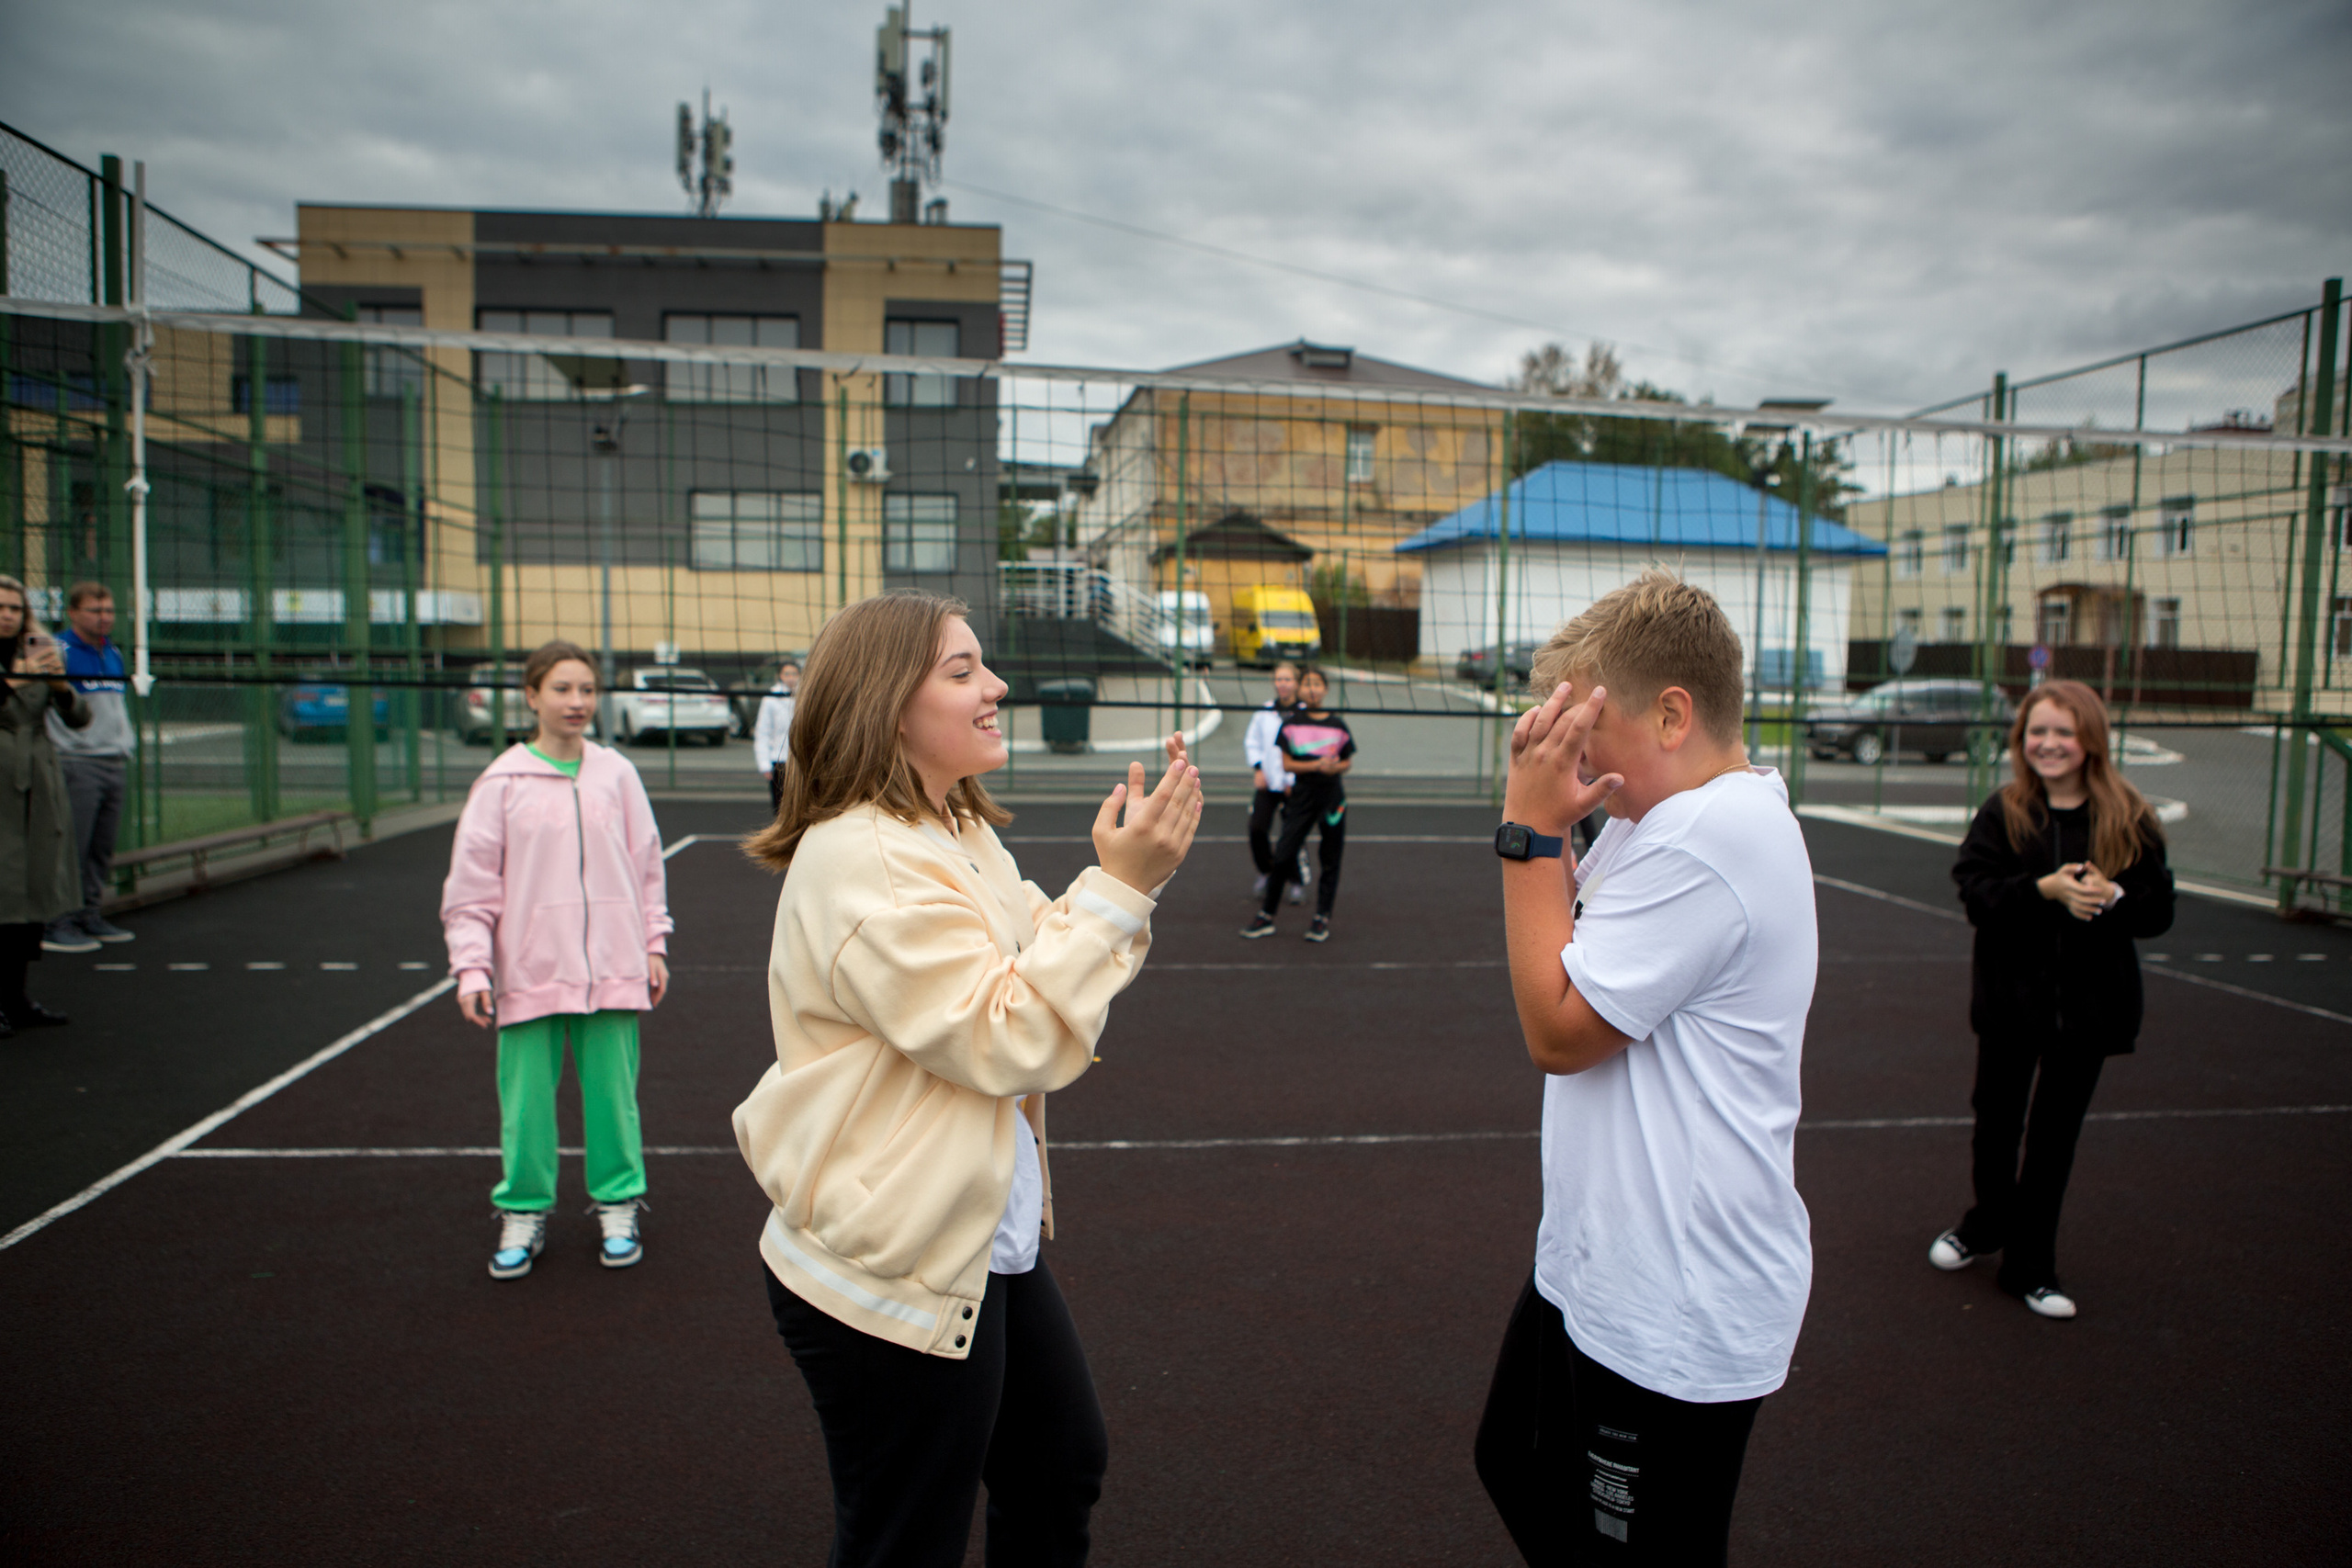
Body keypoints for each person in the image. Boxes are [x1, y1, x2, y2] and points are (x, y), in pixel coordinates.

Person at [735, 590, 1201, 1568]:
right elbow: (1009, 1035)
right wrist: (1121, 888)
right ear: (884, 704)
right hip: (891, 1265)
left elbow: (1034, 953)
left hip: (977, 1241)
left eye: (982, 666)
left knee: (1055, 1464)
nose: (994, 687)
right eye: (960, 672)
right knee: (905, 1538)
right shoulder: (871, 861)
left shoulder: (951, 830)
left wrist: (1120, 880)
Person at [1474, 570, 1815, 1566]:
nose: (1577, 763)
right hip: (1600, 1260)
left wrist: (1530, 832)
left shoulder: (1712, 836)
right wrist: (1561, 830)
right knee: (1516, 1463)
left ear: (1672, 714)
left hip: (1676, 1295)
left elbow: (1560, 1029)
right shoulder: (1653, 821)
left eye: (1589, 737)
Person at [1930, 679, 2174, 1320]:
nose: (2049, 743)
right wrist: (2042, 890)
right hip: (2013, 1004)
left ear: (2090, 738)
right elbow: (1975, 891)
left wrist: (2114, 897)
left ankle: (2030, 1265)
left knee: (2052, 1139)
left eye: (2063, 731)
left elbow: (2158, 908)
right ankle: (1985, 1223)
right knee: (1996, 1122)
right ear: (2021, 740)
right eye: (2037, 731)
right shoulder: (2004, 811)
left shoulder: (2128, 815)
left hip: (2089, 1013)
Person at [441, 639, 673, 1280]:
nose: (577, 702)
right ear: (533, 695)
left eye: (587, 690)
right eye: (563, 689)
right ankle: (523, 1211)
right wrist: (472, 966)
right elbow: (472, 886)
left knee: (613, 1100)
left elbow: (645, 865)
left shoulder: (618, 774)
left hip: (613, 970)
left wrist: (653, 942)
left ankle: (618, 1203)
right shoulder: (501, 782)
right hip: (529, 973)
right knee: (525, 1107)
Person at [0, 575, 91, 1030]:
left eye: (15, 608)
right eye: (0, 607)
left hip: (37, 780)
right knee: (3, 893)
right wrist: (19, 677)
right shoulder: (19, 664)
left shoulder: (38, 650)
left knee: (31, 895)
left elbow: (79, 718)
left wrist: (57, 685)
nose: (8, 615)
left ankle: (16, 998)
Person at [43, 582, 136, 951]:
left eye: (109, 611)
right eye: (95, 611)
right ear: (73, 613)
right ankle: (57, 921)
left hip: (113, 759)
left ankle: (89, 914)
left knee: (100, 847)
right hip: (76, 761)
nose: (104, 618)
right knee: (72, 847)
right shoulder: (55, 649)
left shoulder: (111, 652)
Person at [1239, 664, 1351, 942]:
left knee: (1330, 859)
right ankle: (1267, 916)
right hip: (1302, 796)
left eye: (1318, 684)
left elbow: (1347, 761)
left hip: (1332, 800)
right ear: (1301, 689)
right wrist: (1316, 765)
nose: (1312, 689)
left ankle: (1321, 919)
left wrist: (1334, 768)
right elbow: (1287, 762)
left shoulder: (1337, 724)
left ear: (1325, 689)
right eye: (1308, 684)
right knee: (1283, 853)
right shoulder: (1290, 724)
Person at [1240, 660, 1305, 903]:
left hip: (1294, 786)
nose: (1282, 684)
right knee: (1257, 829)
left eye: (1287, 679)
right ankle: (1267, 873)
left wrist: (1293, 779)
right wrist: (1258, 768)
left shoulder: (1305, 713)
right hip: (1267, 783)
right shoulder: (1265, 711)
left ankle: (1296, 882)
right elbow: (1252, 742)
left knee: (1292, 836)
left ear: (1296, 683)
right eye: (1279, 679)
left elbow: (1305, 750)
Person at [753, 657, 800, 816]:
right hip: (779, 762)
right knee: (780, 809)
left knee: (799, 807)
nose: (791, 677)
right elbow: (763, 732)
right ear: (780, 675)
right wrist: (764, 764)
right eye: (787, 674)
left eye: (794, 673)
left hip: (800, 761)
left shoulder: (804, 696)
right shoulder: (771, 698)